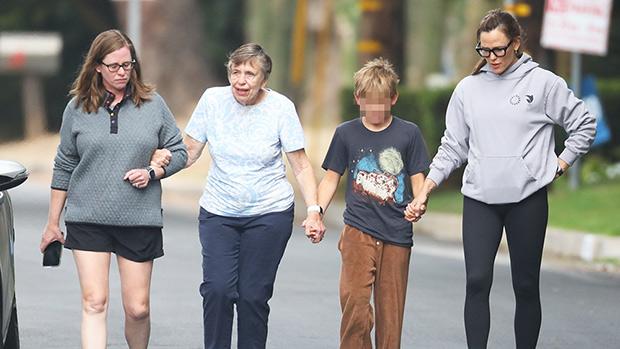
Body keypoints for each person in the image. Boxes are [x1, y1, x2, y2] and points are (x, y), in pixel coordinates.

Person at [405, 9, 597, 349]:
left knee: (525, 285)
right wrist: (426, 189)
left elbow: (584, 124)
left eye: (499, 49)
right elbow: (452, 147)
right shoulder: (468, 89)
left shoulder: (544, 84)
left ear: (517, 43)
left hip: (527, 200)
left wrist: (560, 164)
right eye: (485, 50)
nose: (492, 57)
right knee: (477, 282)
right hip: (480, 199)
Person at [40, 29, 188, 349]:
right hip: (87, 217)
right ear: (97, 66)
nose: (122, 72)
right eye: (114, 66)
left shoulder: (153, 105)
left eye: (128, 65)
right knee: (94, 302)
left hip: (139, 218)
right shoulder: (77, 108)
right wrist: (53, 222)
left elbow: (180, 152)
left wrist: (153, 171)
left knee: (138, 309)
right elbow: (64, 165)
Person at [175, 43, 325, 349]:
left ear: (263, 80)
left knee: (252, 295)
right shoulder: (212, 100)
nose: (241, 80)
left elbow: (300, 164)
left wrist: (313, 210)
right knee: (217, 289)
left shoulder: (281, 108)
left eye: (249, 73)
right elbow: (187, 153)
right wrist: (153, 169)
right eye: (235, 71)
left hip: (269, 213)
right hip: (219, 211)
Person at [315, 58, 430, 348]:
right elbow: (331, 179)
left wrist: (420, 202)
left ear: (394, 98)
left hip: (396, 232)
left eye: (381, 103)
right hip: (358, 231)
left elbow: (417, 178)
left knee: (391, 313)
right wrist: (316, 213)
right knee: (354, 302)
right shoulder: (346, 133)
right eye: (368, 103)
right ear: (357, 99)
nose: (375, 110)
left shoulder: (409, 133)